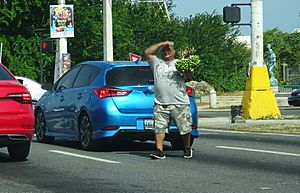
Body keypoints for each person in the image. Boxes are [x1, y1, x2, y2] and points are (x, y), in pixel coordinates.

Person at [144, 41, 193, 159]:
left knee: (184, 127)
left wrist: (187, 60)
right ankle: (159, 150)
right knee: (159, 128)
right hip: (161, 103)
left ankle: (186, 147)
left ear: (173, 52)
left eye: (169, 50)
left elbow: (188, 76)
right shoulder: (157, 63)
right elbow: (147, 52)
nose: (166, 52)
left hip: (179, 102)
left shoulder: (179, 63)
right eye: (164, 51)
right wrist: (162, 44)